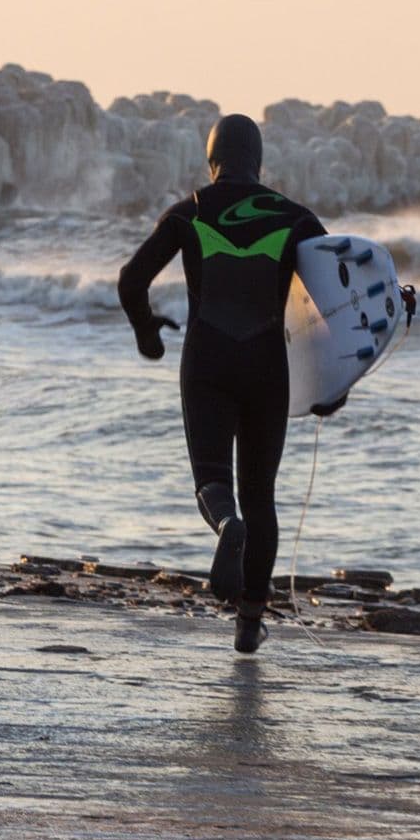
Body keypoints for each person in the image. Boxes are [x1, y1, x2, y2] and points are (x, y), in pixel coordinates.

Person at [117, 113, 327, 653]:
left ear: (212, 160)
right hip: (267, 368)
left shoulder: (190, 211)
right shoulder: (296, 219)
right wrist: (332, 383)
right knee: (262, 496)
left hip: (207, 361)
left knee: (214, 482)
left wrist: (148, 334)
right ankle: (250, 620)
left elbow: (131, 279)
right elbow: (337, 304)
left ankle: (224, 524)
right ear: (258, 161)